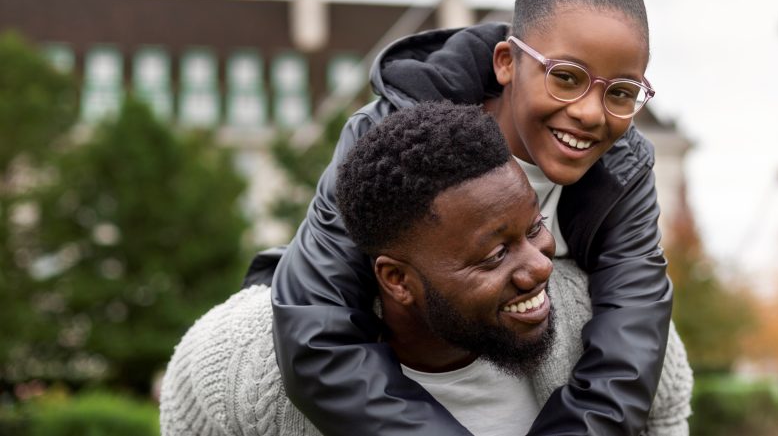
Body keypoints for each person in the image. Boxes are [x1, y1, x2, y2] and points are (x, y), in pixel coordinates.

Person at [245, 0, 676, 434]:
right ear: (506, 63)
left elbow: (629, 343)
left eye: (621, 91)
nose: (591, 113)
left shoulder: (625, 168)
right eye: (564, 76)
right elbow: (318, 337)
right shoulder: (391, 136)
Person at [161, 103, 692, 436]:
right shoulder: (239, 362)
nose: (538, 266)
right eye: (493, 255)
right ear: (397, 280)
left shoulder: (603, 328)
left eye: (532, 229)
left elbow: (664, 413)